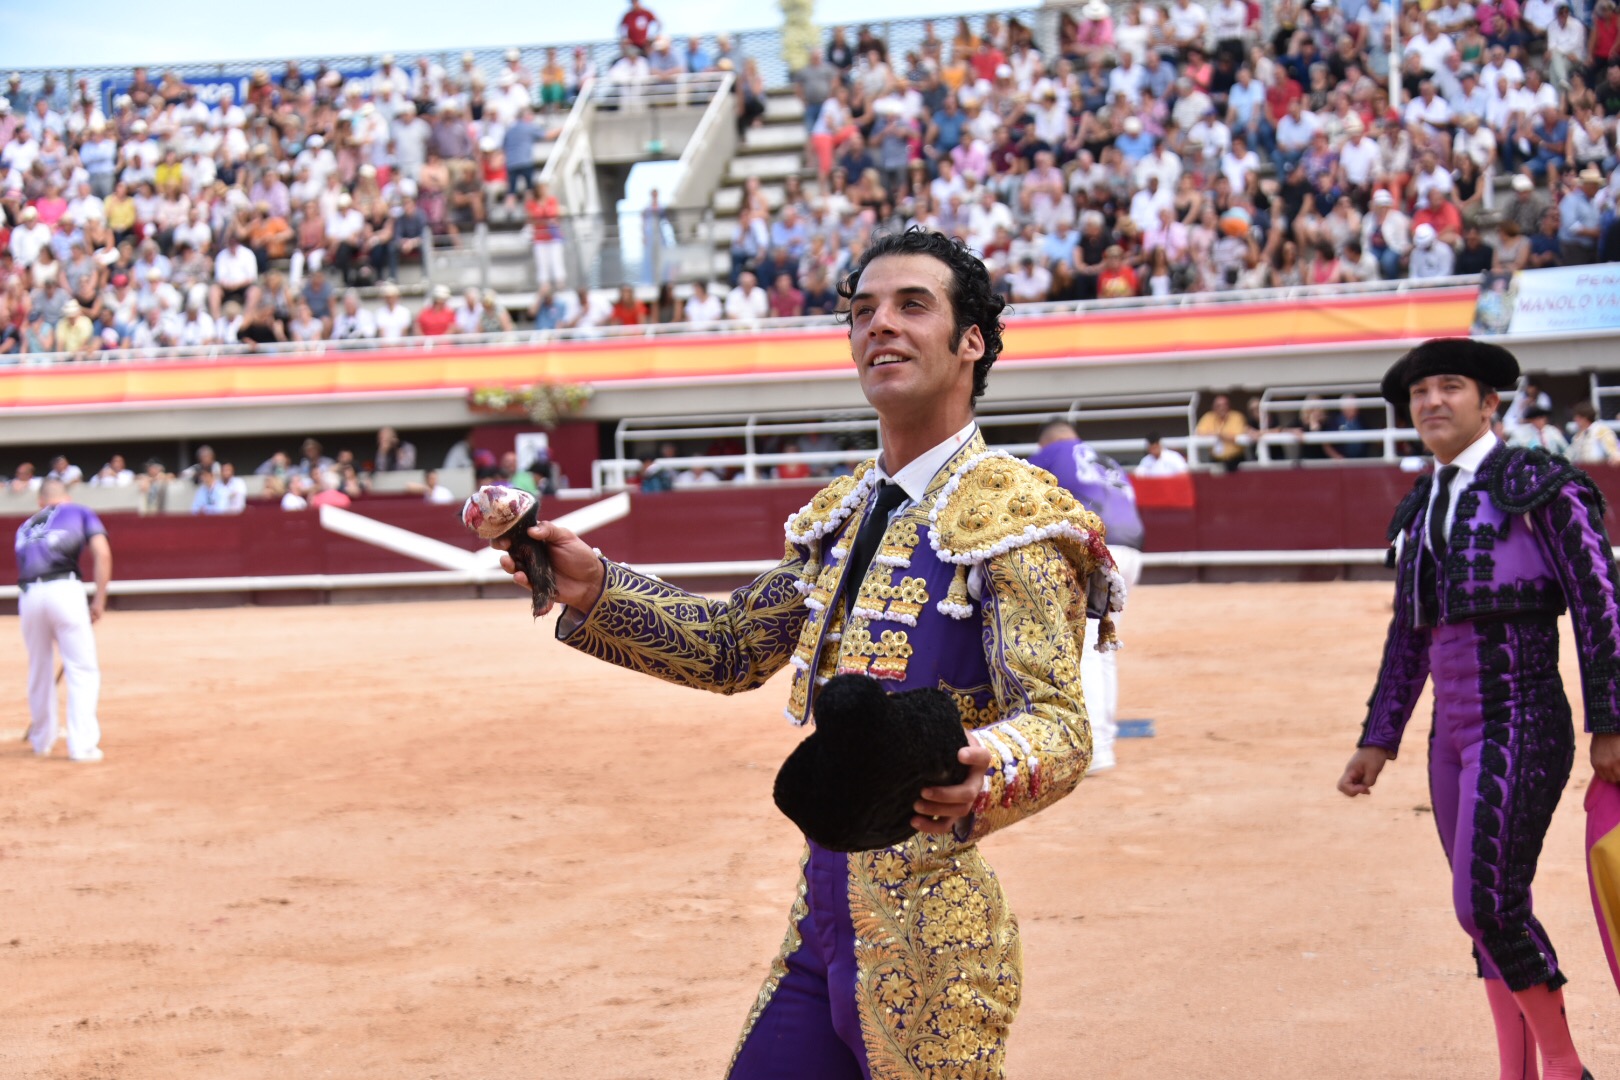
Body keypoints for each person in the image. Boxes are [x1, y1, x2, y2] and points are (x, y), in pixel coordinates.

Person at [494, 229, 1120, 1077]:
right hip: (822, 918)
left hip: (932, 933)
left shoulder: (1019, 512)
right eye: (862, 312)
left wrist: (992, 765)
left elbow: (1058, 721)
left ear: (971, 341)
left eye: (911, 306)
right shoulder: (843, 513)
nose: (879, 327)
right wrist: (595, 586)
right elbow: (729, 647)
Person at [1340, 338, 1620, 1080]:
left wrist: (1612, 721)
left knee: (1488, 904)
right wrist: (1379, 738)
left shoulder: (1541, 484)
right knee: (1484, 912)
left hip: (1523, 714)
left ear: (1490, 402)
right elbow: (1410, 632)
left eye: (1450, 387)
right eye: (1420, 392)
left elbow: (1599, 603)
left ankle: (1564, 1069)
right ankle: (1517, 1072)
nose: (1432, 401)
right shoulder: (1421, 504)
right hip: (1451, 735)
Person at [1028, 418, 1145, 774]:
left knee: (1086, 652)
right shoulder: (1106, 459)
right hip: (1132, 551)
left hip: (1095, 549)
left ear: (1045, 442)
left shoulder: (1049, 455)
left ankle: (1096, 749)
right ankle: (1103, 744)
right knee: (1101, 651)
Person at [15, 479, 111, 762]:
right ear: (66, 497)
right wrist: (99, 599)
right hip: (65, 591)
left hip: (29, 595)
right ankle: (82, 746)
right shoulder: (79, 511)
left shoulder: (26, 525)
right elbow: (102, 552)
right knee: (81, 668)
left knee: (39, 668)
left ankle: (41, 740)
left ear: (40, 502)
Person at [1196, 393, 1250, 471]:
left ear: (1229, 406)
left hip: (1235, 459)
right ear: (1213, 407)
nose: (1222, 408)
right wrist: (1219, 435)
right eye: (1218, 405)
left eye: (1225, 405)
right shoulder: (1208, 417)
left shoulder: (1237, 417)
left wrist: (1219, 435)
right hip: (1215, 459)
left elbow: (1236, 437)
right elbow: (1199, 433)